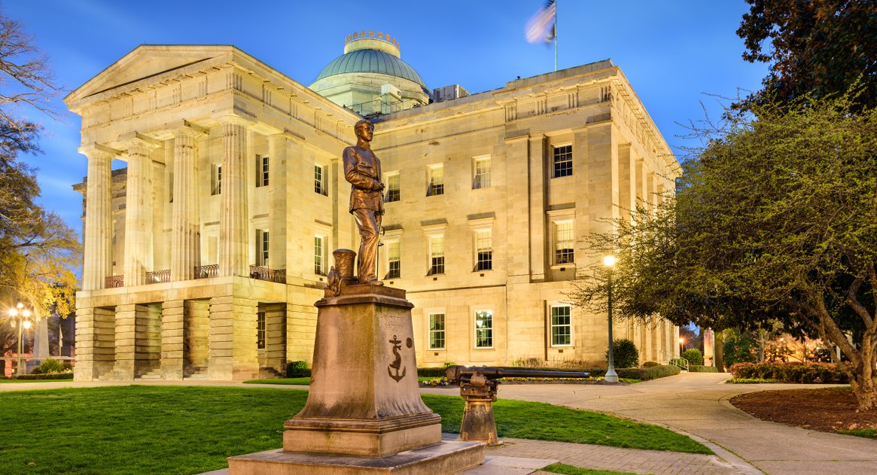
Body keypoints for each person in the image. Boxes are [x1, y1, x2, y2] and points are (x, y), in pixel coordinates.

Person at [343, 119, 385, 285]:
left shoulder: (377, 159)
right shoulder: (351, 151)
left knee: (372, 237)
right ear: (358, 132)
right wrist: (372, 184)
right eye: (367, 129)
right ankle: (366, 277)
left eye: (372, 129)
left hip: (375, 202)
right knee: (371, 233)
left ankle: (367, 275)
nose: (371, 132)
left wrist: (381, 204)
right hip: (360, 198)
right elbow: (350, 175)